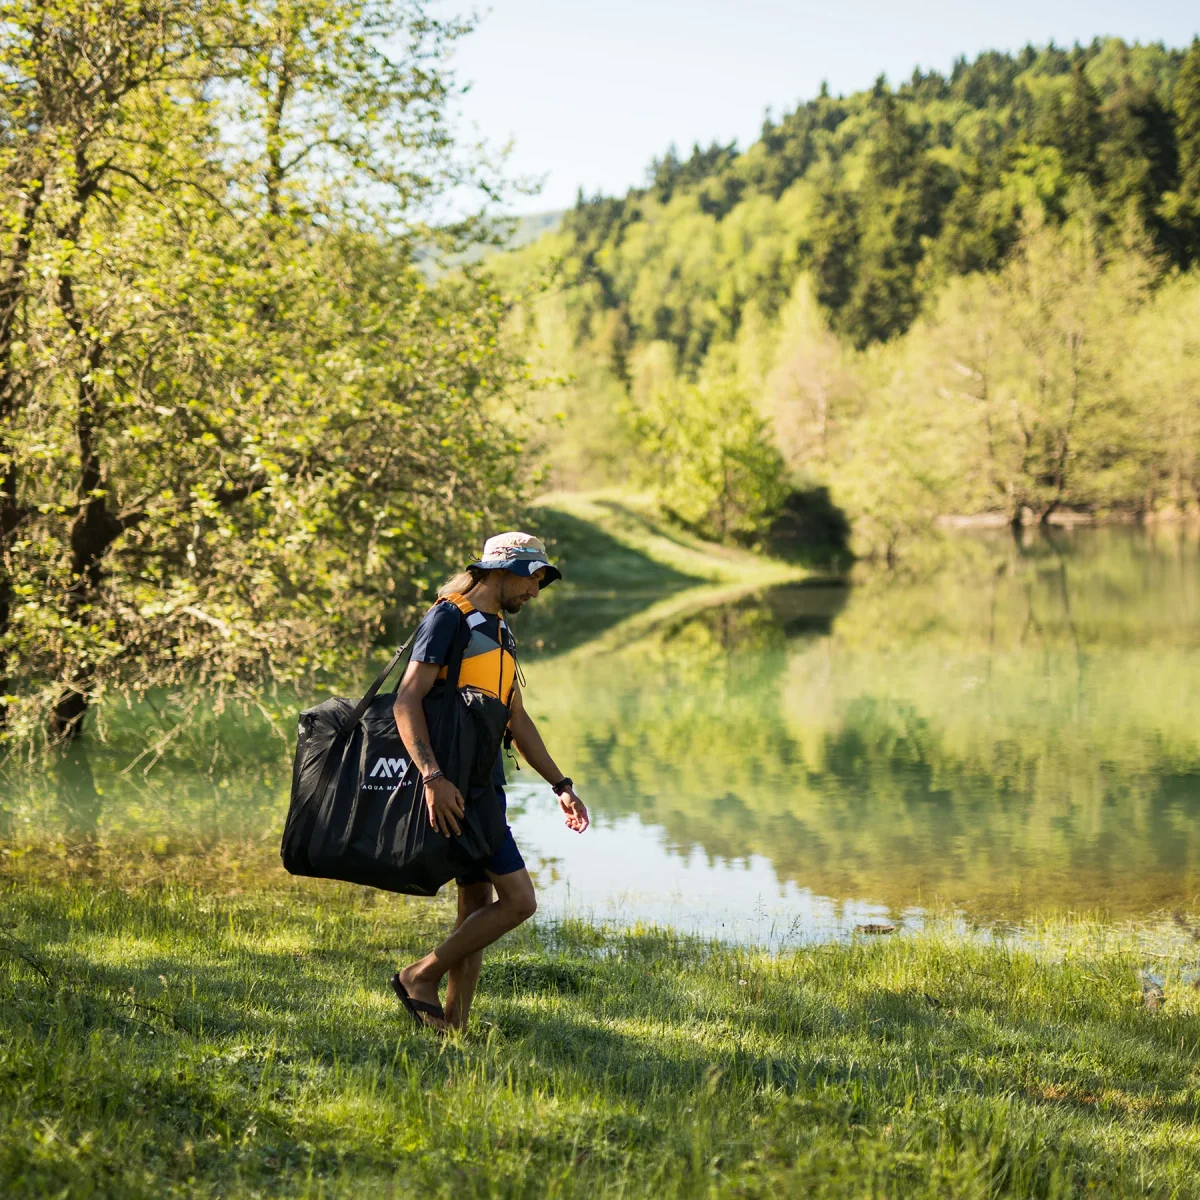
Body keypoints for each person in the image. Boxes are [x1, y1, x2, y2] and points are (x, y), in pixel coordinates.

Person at [390, 532, 589, 1032]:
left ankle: (454, 1024)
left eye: (540, 582)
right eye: (531, 579)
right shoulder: (448, 619)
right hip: (455, 788)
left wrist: (560, 784)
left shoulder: (499, 630)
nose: (535, 591)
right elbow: (406, 700)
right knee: (520, 901)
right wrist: (433, 777)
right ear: (499, 571)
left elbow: (515, 719)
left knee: (477, 903)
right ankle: (418, 976)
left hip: (485, 786)